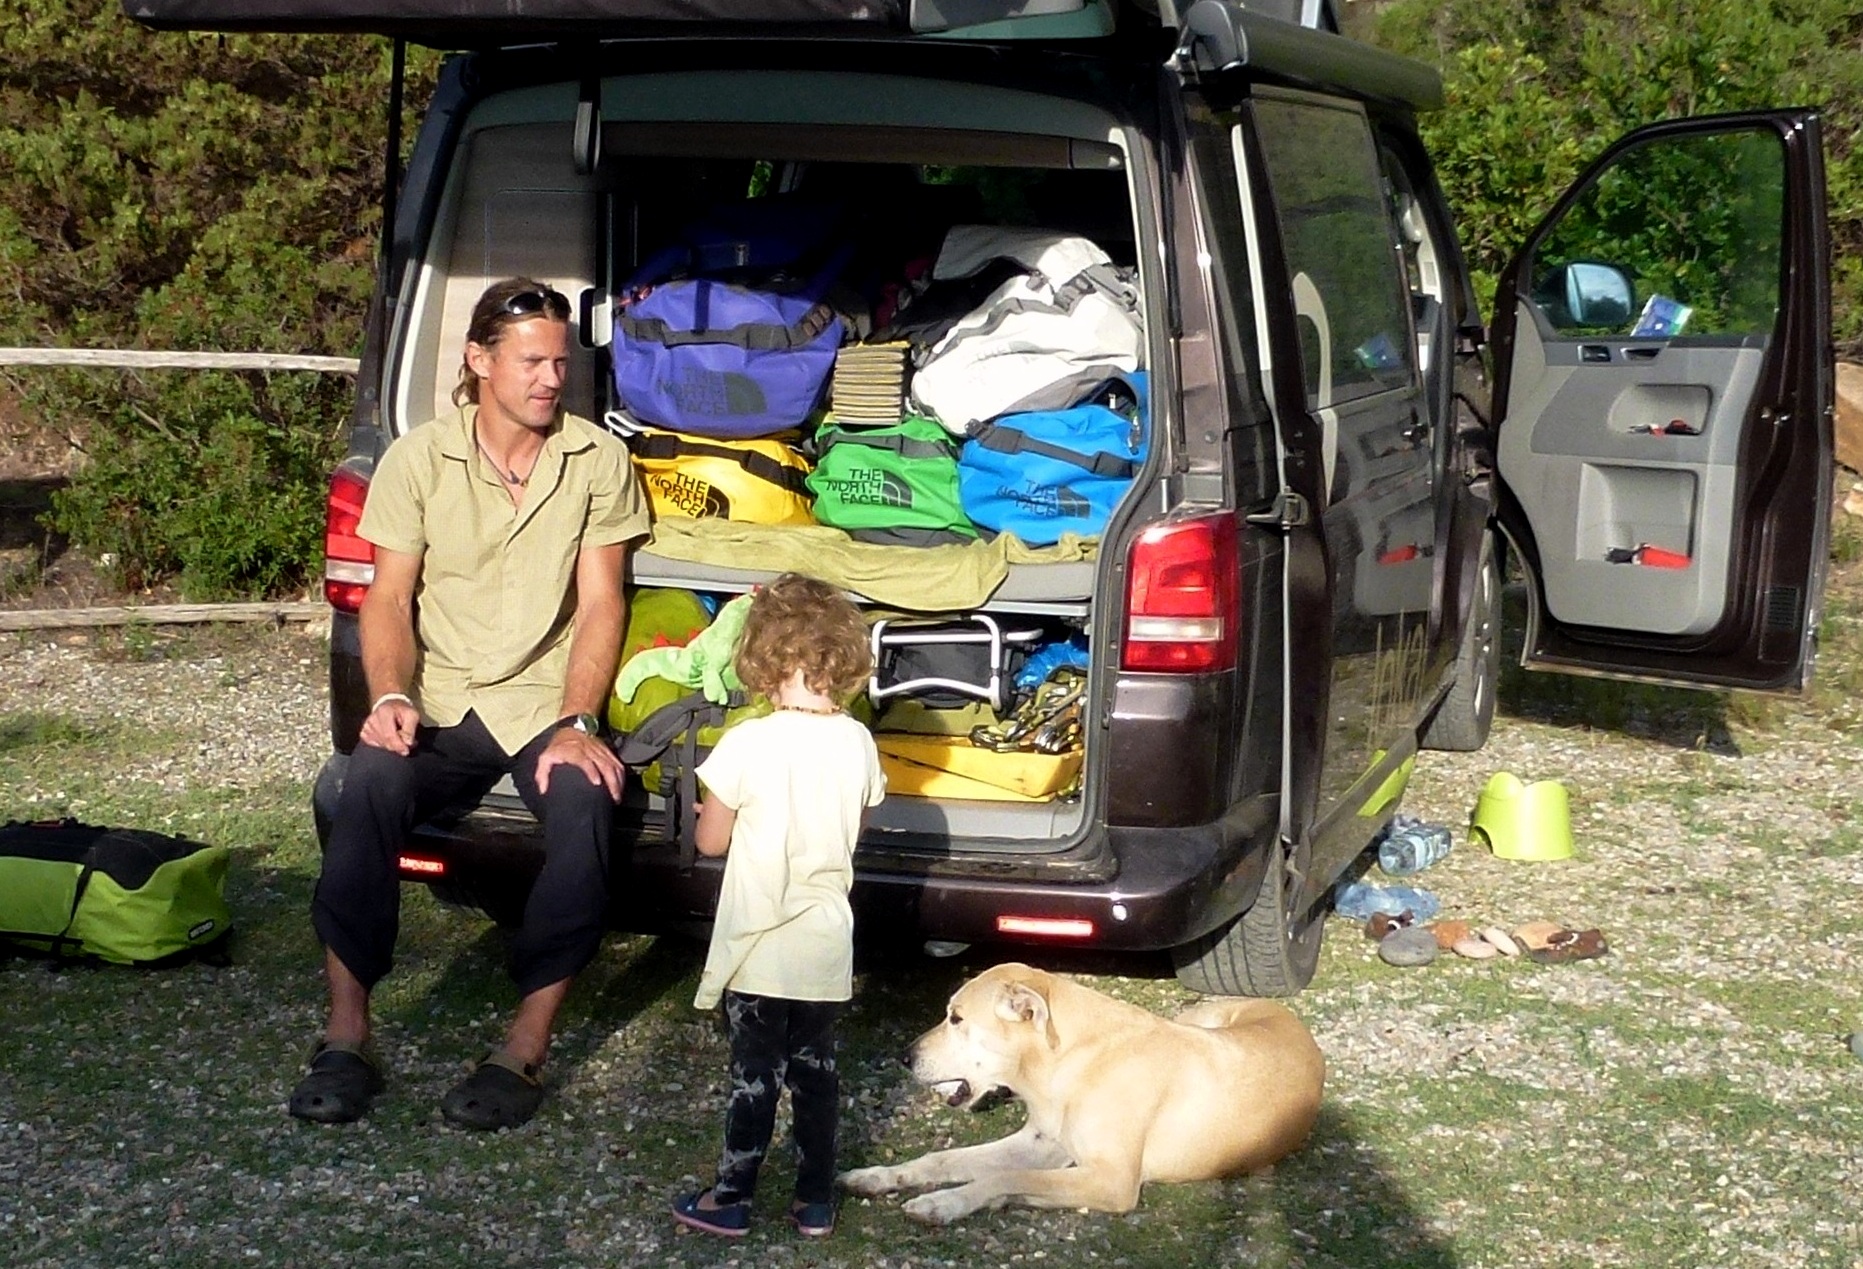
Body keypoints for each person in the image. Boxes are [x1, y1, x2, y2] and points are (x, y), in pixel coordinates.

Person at [288, 277, 650, 1131]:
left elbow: (603, 604)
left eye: (561, 362)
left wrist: (579, 719)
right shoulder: (417, 458)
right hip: (443, 694)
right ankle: (346, 1036)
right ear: (479, 360)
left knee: (586, 801)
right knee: (361, 785)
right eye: (531, 361)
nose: (550, 379)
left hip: (540, 699)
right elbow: (387, 598)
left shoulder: (596, 458)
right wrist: (389, 695)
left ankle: (523, 1045)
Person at [670, 574, 886, 1239]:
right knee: (816, 1073)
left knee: (753, 1077)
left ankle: (729, 1197)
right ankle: (814, 1199)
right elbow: (861, 813)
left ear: (764, 659)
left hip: (758, 944)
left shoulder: (748, 743)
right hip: (825, 941)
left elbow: (710, 838)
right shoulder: (857, 742)